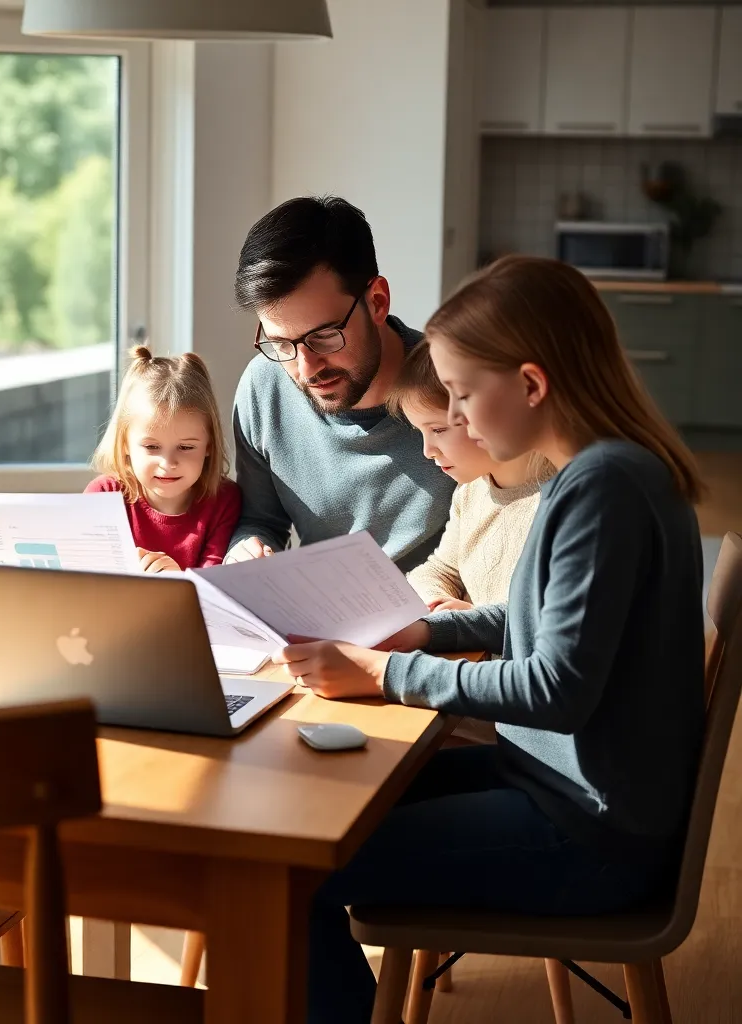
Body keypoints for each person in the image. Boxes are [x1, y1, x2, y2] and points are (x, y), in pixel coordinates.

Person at [272, 255, 707, 1024]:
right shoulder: (604, 473)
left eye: (467, 395)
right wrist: (427, 629)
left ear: (532, 386)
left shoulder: (601, 488)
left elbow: (555, 685)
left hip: (588, 832)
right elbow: (528, 616)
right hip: (568, 792)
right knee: (323, 814)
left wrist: (388, 670)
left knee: (293, 869)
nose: (460, 420)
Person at [226, 196, 454, 573]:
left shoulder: (456, 388)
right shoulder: (263, 386)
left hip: (433, 620)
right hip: (321, 618)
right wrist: (247, 550)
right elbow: (261, 521)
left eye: (325, 336)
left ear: (377, 301)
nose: (306, 367)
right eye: (282, 343)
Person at [396, 341, 553, 613]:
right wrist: (439, 604)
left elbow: (545, 619)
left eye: (439, 429)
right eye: (419, 431)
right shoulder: (471, 492)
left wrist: (470, 619)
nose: (427, 451)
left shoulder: (561, 500)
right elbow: (440, 569)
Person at [86, 346, 241, 572]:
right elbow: (85, 578)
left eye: (186, 447)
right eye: (152, 446)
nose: (168, 463)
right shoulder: (103, 496)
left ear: (209, 445)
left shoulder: (225, 501)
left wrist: (177, 581)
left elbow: (213, 590)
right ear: (124, 444)